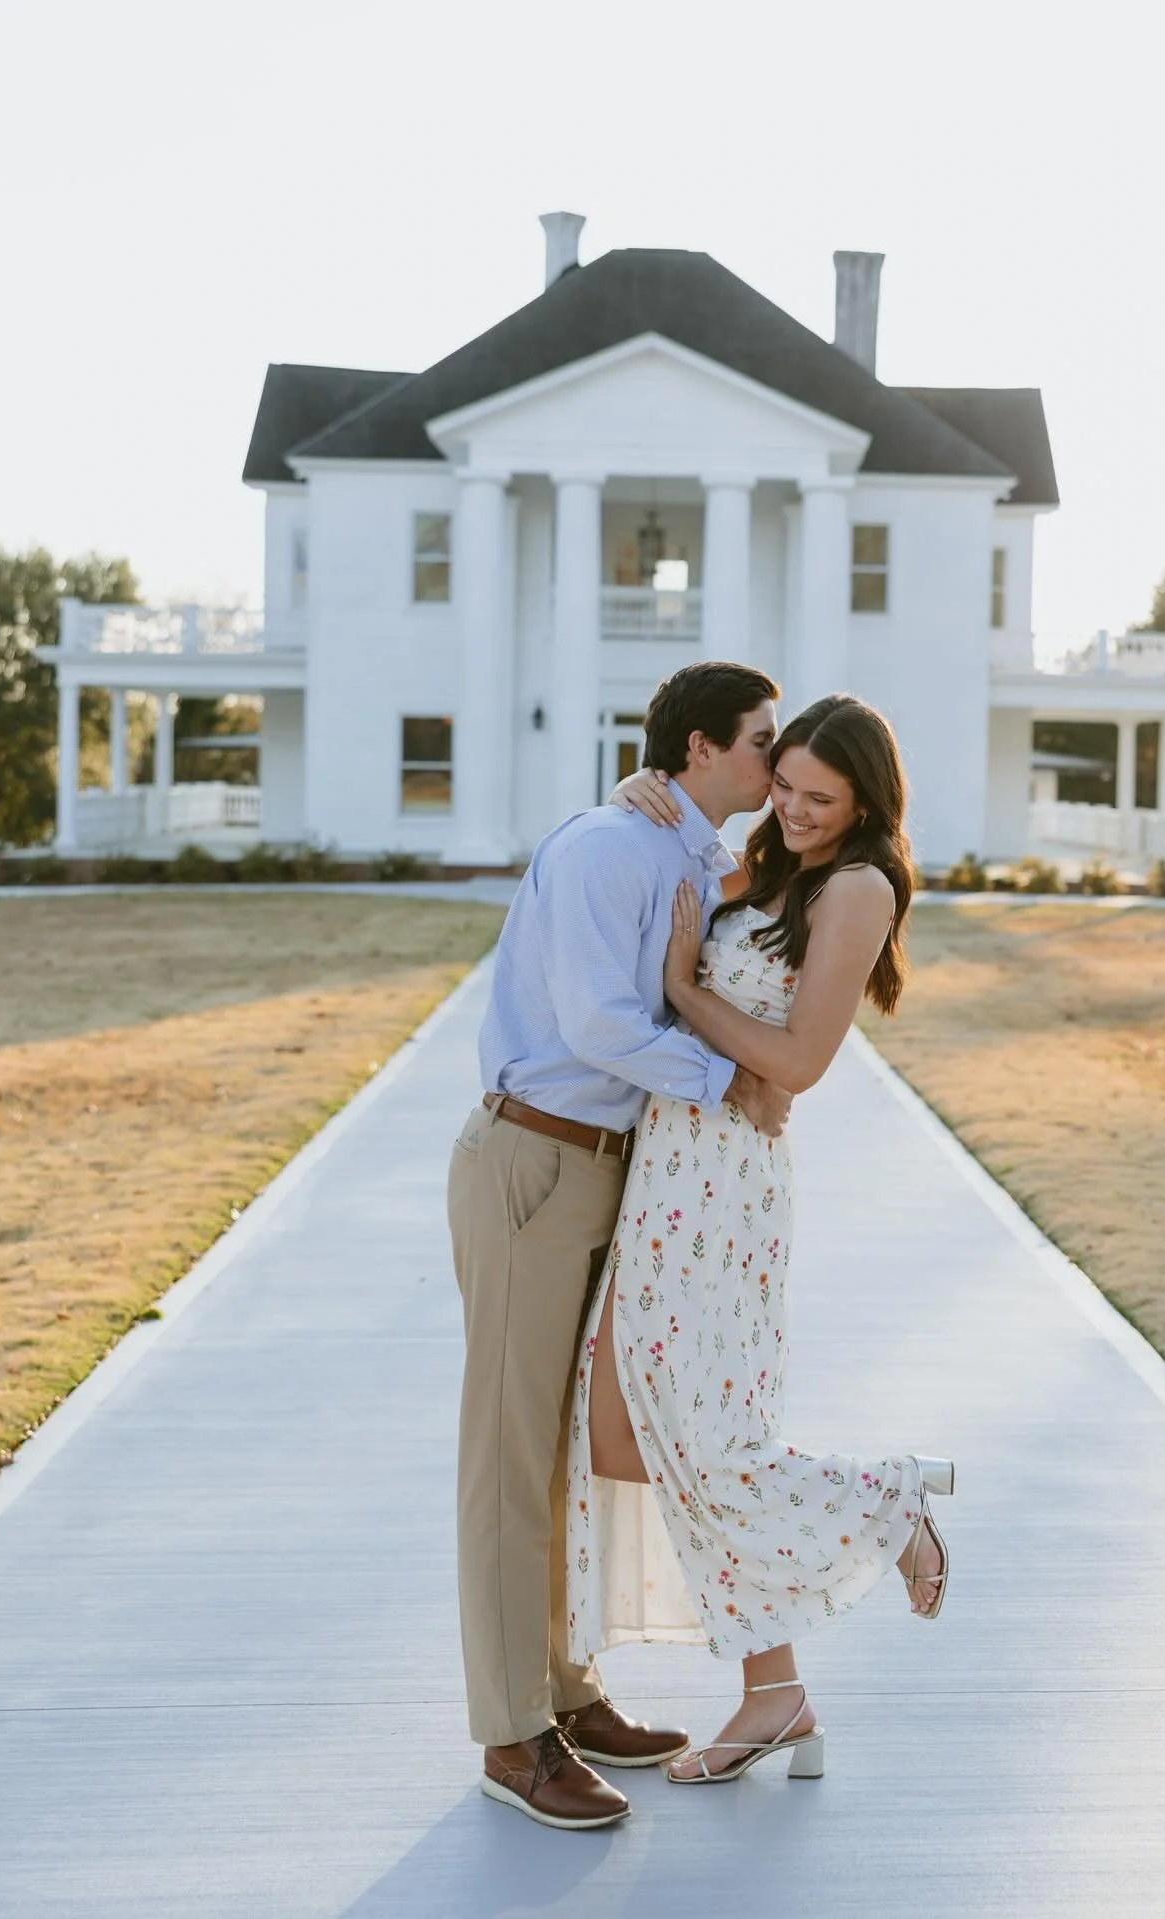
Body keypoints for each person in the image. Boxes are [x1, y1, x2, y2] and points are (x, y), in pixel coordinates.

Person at [566, 693, 953, 1784]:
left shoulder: (857, 888)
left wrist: (684, 991)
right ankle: (774, 1688)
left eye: (820, 798)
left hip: (723, 1185)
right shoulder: (768, 863)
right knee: (627, 1433)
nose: (792, 809)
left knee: (695, 1437)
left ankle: (886, 1503)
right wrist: (634, 795)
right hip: (669, 1162)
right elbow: (667, 892)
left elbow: (798, 1062)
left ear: (866, 802)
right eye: (783, 785)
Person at [447, 660, 795, 1830]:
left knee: (563, 1453)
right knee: (509, 1457)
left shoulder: (684, 847)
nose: (775, 759)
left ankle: (565, 1688)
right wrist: (728, 1079)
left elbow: (755, 877)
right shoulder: (610, 846)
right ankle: (512, 1734)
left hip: (611, 1173)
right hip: (535, 1160)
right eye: (761, 740)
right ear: (701, 747)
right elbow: (598, 1019)